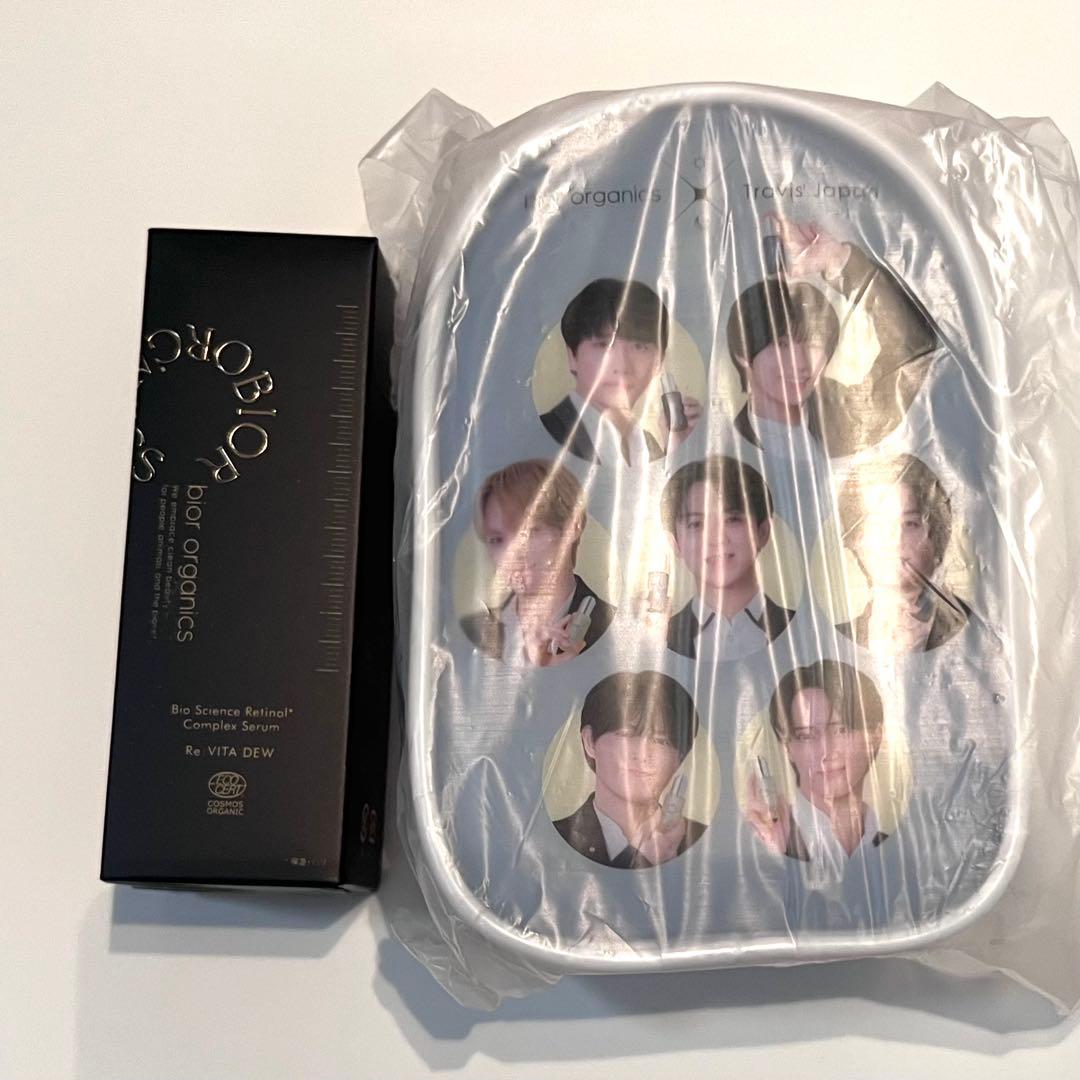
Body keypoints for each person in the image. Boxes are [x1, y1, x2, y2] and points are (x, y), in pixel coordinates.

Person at [726, 217, 940, 460]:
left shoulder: (846, 420)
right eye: (782, 344)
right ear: (743, 354)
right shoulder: (720, 440)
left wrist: (838, 260)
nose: (801, 362)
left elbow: (913, 347)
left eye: (813, 342)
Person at [460, 458, 615, 666]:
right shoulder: (472, 633)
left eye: (530, 531)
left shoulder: (612, 630)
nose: (512, 553)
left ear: (572, 526)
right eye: (497, 539)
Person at [745, 660, 890, 880]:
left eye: (841, 730)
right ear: (788, 748)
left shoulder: (897, 844)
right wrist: (775, 858)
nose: (826, 752)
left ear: (875, 734)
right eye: (806, 736)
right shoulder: (764, 839)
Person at [553, 670, 707, 869]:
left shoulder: (703, 841)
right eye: (627, 734)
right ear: (590, 741)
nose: (643, 754)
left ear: (680, 757)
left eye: (661, 741)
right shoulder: (552, 838)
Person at [540, 277, 700, 466]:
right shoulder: (544, 434)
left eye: (639, 346)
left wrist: (675, 446)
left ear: (659, 361)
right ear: (572, 356)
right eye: (604, 345)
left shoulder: (652, 445)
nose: (622, 365)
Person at [659, 455, 795, 660]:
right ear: (675, 544)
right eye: (696, 524)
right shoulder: (660, 636)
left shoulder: (801, 630)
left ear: (763, 531)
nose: (717, 539)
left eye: (732, 519)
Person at [834, 454, 969, 654]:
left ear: (937, 535)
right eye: (877, 523)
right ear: (857, 539)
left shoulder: (975, 630)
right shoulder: (834, 641)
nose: (893, 538)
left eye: (909, 524)